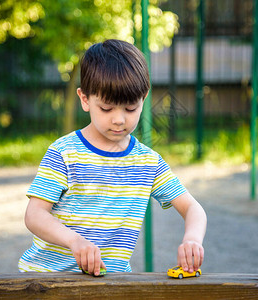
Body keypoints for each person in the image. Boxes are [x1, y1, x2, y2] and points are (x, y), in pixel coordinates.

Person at [18, 39, 207, 276]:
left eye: (130, 108)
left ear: (144, 99)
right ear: (85, 99)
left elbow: (192, 207)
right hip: (48, 278)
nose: (119, 119)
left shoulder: (148, 162)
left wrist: (192, 239)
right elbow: (34, 215)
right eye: (107, 108)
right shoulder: (64, 153)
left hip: (111, 280)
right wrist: (75, 241)